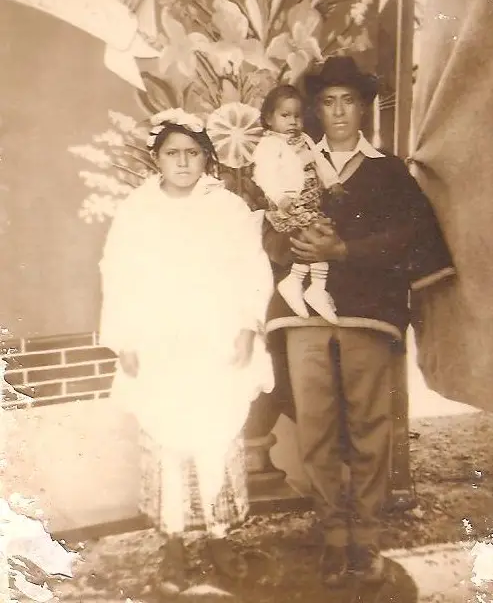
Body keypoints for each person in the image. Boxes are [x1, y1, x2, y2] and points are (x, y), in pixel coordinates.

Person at [262, 56, 455, 586]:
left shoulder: (390, 172)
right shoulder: (288, 162)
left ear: (365, 107)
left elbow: (411, 240)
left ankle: (366, 537)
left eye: (350, 100)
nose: (340, 111)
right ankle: (332, 536)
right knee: (317, 428)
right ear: (316, 109)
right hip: (304, 316)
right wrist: (293, 241)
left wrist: (344, 249)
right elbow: (270, 232)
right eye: (328, 101)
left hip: (367, 314)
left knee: (370, 427)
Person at [98, 108, 275, 591]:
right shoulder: (137, 210)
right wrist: (125, 339)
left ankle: (219, 537)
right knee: (169, 443)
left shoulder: (229, 209)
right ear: (156, 157)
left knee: (215, 437)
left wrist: (246, 326)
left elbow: (252, 270)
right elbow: (117, 274)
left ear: (207, 158)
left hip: (214, 340)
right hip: (161, 343)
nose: (182, 162)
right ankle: (174, 540)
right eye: (172, 153)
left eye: (192, 153)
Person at [252, 84, 342, 323]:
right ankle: (301, 285)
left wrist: (332, 181)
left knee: (322, 233)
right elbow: (264, 175)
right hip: (288, 205)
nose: (292, 121)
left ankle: (310, 286)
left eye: (297, 116)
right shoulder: (269, 145)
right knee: (311, 236)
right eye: (285, 115)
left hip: (310, 203)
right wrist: (280, 198)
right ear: (269, 119)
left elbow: (320, 162)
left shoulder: (305, 140)